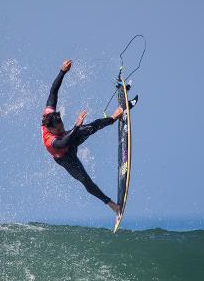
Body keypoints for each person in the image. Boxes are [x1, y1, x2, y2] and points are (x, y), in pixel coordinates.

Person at [41, 60, 136, 215]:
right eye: (59, 129)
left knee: (91, 127)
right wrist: (77, 126)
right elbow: (63, 142)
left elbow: (53, 92)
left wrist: (62, 71)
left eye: (62, 125)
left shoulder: (49, 114)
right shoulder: (49, 140)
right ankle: (111, 204)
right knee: (85, 180)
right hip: (66, 157)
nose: (62, 128)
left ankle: (113, 118)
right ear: (51, 129)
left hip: (69, 140)